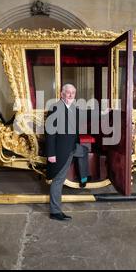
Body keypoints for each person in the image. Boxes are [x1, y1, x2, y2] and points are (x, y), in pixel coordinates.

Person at [45, 84, 89, 221]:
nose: (70, 95)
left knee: (84, 151)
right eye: (68, 92)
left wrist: (105, 112)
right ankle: (55, 211)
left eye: (73, 93)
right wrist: (51, 154)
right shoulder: (55, 108)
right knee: (58, 180)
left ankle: (83, 178)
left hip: (72, 147)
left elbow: (87, 113)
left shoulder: (73, 108)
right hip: (60, 151)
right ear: (62, 94)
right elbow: (50, 133)